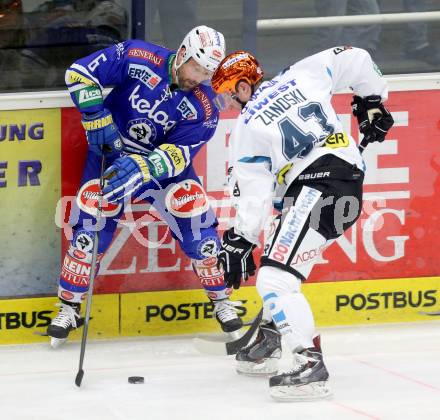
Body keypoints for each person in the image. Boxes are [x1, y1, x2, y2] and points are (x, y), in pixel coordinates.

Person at [211, 47, 394, 400]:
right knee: (284, 262)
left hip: (318, 188)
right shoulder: (301, 73)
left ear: (245, 86)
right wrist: (372, 99)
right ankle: (273, 335)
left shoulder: (247, 127)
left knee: (275, 277)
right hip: (342, 181)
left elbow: (253, 190)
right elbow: (354, 57)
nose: (229, 106)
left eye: (228, 96)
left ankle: (308, 363)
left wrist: (241, 238)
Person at [47, 25, 244, 347]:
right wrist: (96, 117)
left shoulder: (206, 105)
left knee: (196, 221)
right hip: (111, 153)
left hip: (161, 170)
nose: (199, 77)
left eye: (208, 72)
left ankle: (222, 300)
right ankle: (69, 307)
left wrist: (142, 166)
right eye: (196, 67)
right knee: (89, 225)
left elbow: (180, 154)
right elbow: (79, 73)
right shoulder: (138, 56)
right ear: (182, 54)